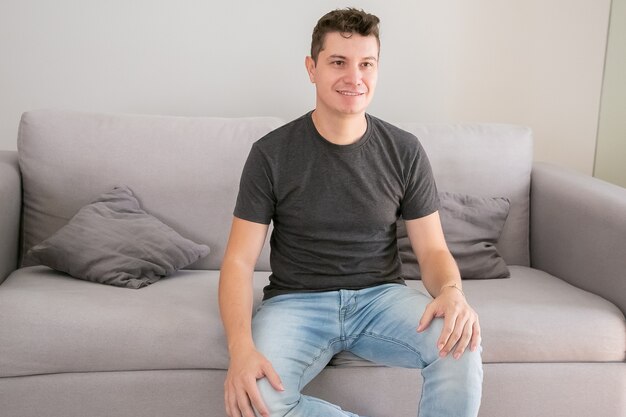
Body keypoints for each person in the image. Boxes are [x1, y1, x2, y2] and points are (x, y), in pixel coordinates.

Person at [219, 8, 483, 417]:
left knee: (462, 343)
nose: (354, 77)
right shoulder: (270, 153)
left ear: (377, 70)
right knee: (258, 403)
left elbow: (432, 252)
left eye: (366, 64)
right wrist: (241, 350)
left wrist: (451, 293)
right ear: (312, 68)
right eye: (338, 62)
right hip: (296, 303)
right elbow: (238, 261)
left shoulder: (405, 150)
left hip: (381, 298)